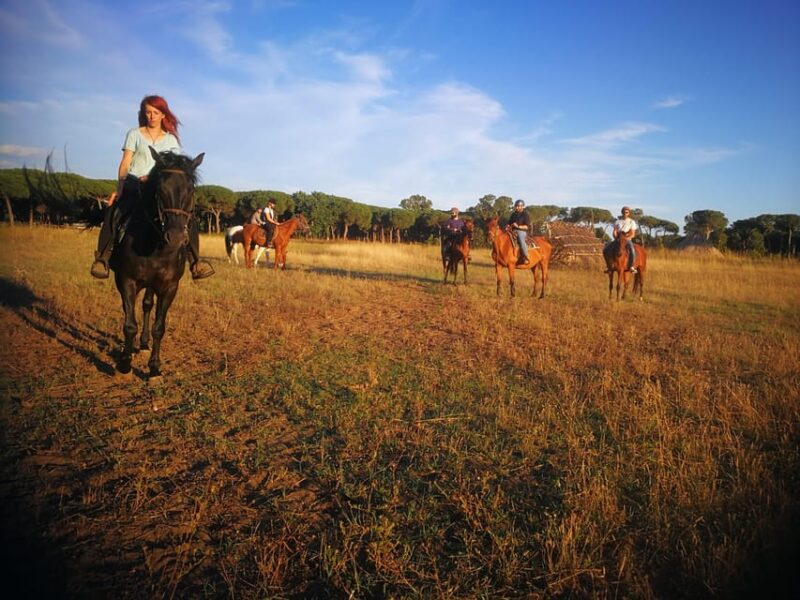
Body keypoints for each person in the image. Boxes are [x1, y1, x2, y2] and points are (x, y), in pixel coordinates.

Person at [90, 95, 214, 280]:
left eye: (156, 112)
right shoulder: (134, 134)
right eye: (148, 112)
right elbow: (125, 163)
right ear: (143, 114)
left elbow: (173, 168)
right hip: (134, 183)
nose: (151, 116)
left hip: (157, 187)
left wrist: (154, 177)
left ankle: (195, 261)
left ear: (163, 115)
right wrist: (120, 187)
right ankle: (103, 258)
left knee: (189, 217)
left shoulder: (171, 140)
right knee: (113, 211)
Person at [612, 206, 638, 273]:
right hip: (618, 239)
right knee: (606, 248)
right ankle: (609, 266)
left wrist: (626, 239)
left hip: (627, 239)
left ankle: (631, 266)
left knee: (632, 250)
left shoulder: (631, 222)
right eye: (624, 212)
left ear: (629, 213)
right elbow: (614, 231)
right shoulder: (617, 221)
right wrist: (615, 237)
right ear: (622, 212)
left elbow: (633, 234)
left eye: (626, 212)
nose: (625, 213)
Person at [508, 199, 531, 265]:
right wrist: (508, 226)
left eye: (518, 206)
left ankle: (526, 256)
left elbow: (527, 226)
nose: (517, 207)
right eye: (516, 206)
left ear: (522, 206)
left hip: (521, 231)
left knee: (521, 240)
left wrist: (518, 226)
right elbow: (509, 223)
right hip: (512, 231)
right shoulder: (513, 214)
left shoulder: (525, 214)